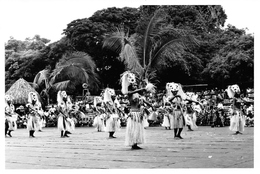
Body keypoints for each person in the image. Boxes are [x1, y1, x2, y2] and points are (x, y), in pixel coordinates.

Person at [121, 71, 155, 150]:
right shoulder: (129, 93)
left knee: (138, 129)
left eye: (136, 85)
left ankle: (135, 143)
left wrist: (151, 105)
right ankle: (133, 143)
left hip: (138, 113)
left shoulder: (137, 94)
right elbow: (130, 93)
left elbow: (143, 100)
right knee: (133, 128)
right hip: (133, 113)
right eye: (134, 85)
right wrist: (142, 89)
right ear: (130, 86)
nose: (136, 86)